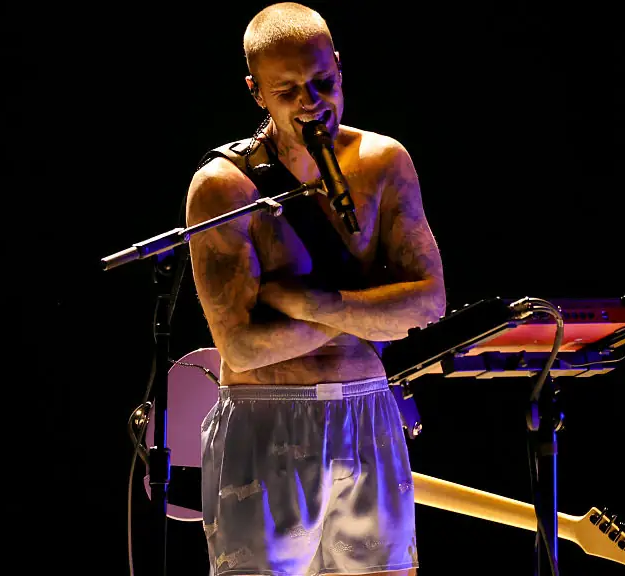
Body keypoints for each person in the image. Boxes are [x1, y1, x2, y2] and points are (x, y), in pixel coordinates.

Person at [184, 3, 445, 575]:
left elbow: (428, 305)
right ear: (256, 92)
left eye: (323, 81)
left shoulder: (383, 161)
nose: (311, 101)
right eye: (288, 90)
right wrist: (373, 312)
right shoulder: (224, 188)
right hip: (264, 413)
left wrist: (310, 303)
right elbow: (243, 349)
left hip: (368, 408)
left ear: (340, 68)